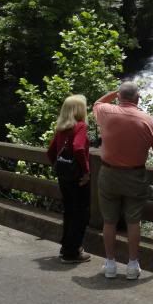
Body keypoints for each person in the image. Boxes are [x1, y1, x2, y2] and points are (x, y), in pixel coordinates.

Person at [92, 81, 153, 280]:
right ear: (138, 99)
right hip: (134, 176)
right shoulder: (147, 120)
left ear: (119, 97)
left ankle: (110, 264)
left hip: (108, 174)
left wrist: (115, 93)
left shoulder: (106, 111)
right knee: (133, 221)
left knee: (109, 221)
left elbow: (96, 103)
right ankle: (132, 265)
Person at [47, 95, 92, 264]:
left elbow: (50, 152)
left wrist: (60, 168)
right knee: (81, 213)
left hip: (64, 177)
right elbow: (78, 148)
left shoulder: (61, 128)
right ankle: (73, 252)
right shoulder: (80, 126)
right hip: (78, 178)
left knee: (69, 211)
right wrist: (86, 172)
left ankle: (65, 247)